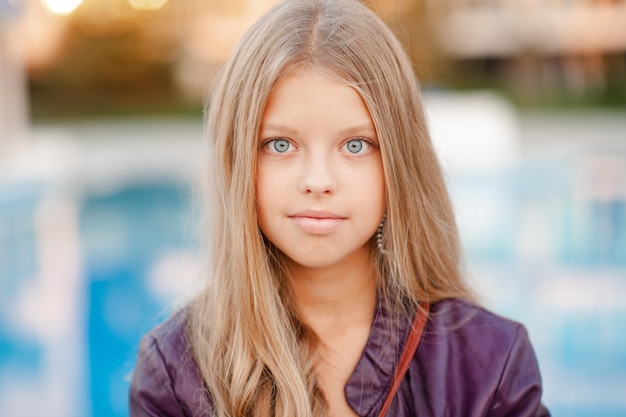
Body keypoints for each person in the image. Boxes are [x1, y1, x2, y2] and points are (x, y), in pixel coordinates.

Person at [129, 0, 550, 416]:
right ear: (237, 161)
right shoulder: (174, 372)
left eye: (355, 145)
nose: (318, 181)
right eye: (280, 145)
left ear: (400, 163)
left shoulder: (489, 364)